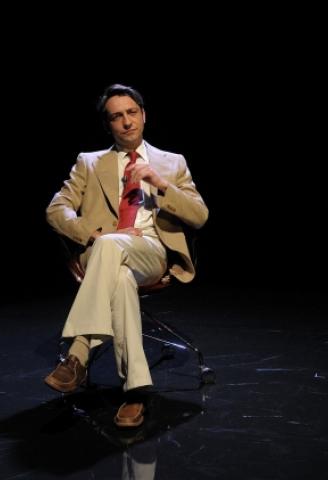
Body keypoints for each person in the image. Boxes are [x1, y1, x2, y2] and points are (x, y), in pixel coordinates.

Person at [44, 84, 208, 427]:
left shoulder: (172, 162)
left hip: (151, 252)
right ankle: (136, 391)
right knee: (117, 274)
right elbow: (57, 210)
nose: (127, 122)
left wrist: (161, 183)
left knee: (113, 251)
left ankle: (78, 353)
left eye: (132, 113)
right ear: (108, 125)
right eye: (117, 116)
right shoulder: (89, 163)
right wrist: (93, 234)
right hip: (104, 252)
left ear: (144, 115)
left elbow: (199, 216)